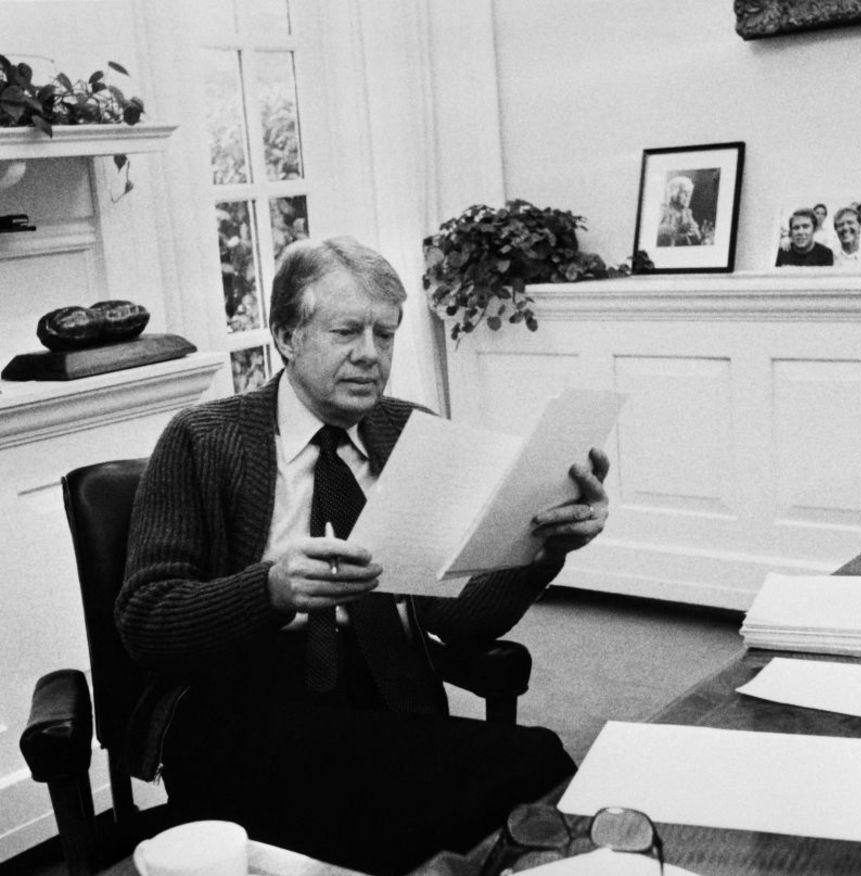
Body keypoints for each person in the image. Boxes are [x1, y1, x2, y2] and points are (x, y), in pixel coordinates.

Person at [115, 236, 612, 876]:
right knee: (490, 789)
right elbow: (145, 619)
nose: (370, 356)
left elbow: (457, 621)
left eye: (386, 334)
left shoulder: (409, 431)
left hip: (383, 694)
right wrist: (268, 590)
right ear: (286, 336)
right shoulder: (201, 440)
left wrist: (540, 553)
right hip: (240, 705)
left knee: (533, 771)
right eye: (347, 331)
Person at [656, 175, 702, 246]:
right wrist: (676, 230)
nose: (688, 197)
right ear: (675, 193)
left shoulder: (687, 212)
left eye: (689, 194)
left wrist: (695, 231)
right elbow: (653, 231)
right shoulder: (664, 209)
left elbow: (698, 237)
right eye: (685, 193)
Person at [832, 205, 861, 269]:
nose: (845, 228)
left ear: (860, 227)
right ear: (836, 229)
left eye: (850, 223)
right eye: (841, 224)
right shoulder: (830, 258)